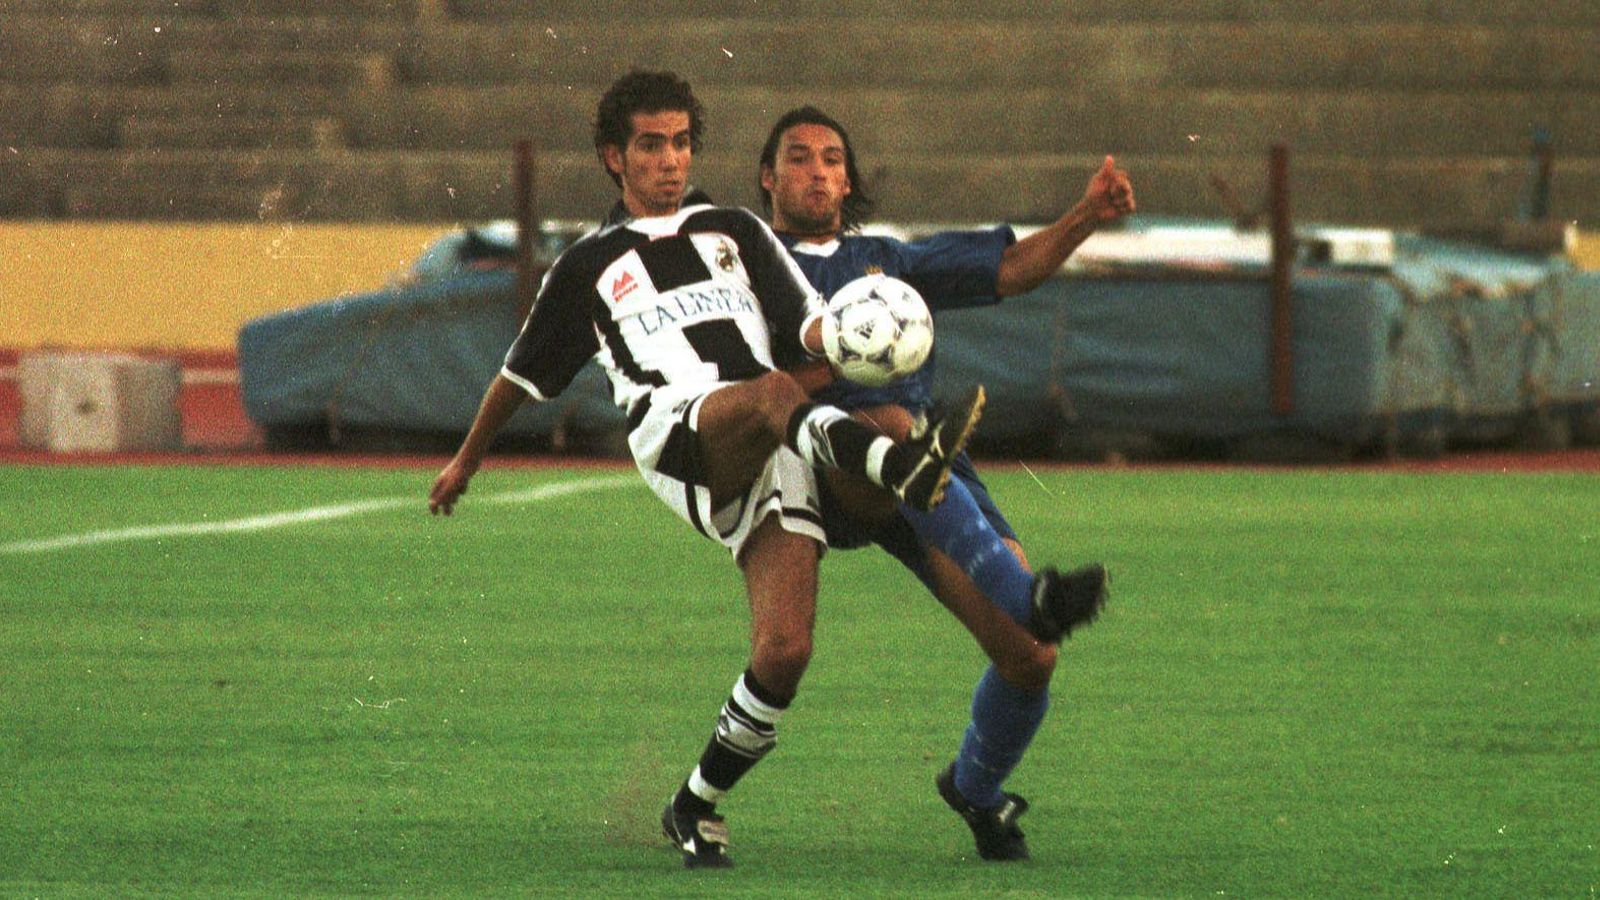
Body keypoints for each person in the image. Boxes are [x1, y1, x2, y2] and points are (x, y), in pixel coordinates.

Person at [427, 71, 986, 870]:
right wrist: (464, 462)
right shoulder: (588, 264)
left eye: (682, 142)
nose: (670, 160)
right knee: (782, 398)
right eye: (651, 145)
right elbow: (517, 377)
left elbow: (811, 324)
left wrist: (869, 329)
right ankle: (896, 466)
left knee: (785, 650)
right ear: (612, 158)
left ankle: (695, 803)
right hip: (680, 431)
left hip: (775, 434)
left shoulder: (734, 229)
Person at [756, 106, 1135, 860]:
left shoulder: (886, 261)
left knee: (1031, 656)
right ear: (767, 178)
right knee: (895, 423)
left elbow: (1012, 268)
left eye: (832, 158)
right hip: (824, 462)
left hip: (929, 473)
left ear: (850, 178)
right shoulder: (748, 263)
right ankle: (1021, 587)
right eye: (798, 158)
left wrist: (1088, 214)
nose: (818, 171)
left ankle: (976, 790)